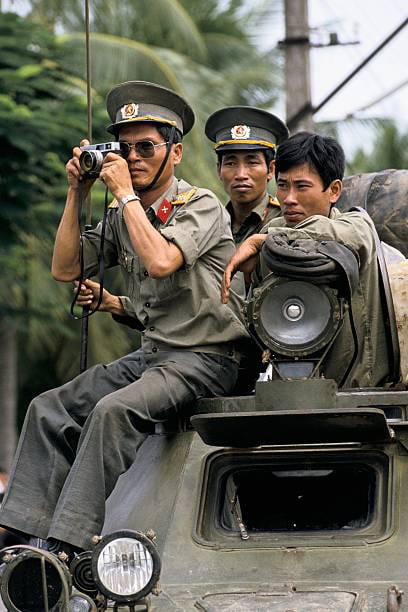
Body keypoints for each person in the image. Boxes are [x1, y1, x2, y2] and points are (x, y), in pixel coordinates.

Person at [0, 81, 248, 557]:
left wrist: (124, 195)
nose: (133, 158)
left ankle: (65, 546)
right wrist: (78, 192)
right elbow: (66, 268)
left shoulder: (198, 205)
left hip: (207, 360)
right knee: (49, 407)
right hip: (154, 358)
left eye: (146, 147)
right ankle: (26, 542)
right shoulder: (119, 212)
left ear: (174, 153)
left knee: (113, 411)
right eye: (124, 148)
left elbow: (159, 261)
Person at [222, 131, 392, 388]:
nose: (289, 199)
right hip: (291, 389)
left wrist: (267, 240)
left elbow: (345, 235)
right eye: (282, 185)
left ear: (334, 190)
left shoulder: (355, 225)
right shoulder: (272, 230)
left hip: (358, 389)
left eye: (302, 186)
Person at [205, 106, 289, 245]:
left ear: (271, 169)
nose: (241, 174)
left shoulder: (287, 219)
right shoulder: (208, 222)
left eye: (252, 163)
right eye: (231, 163)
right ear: (219, 169)